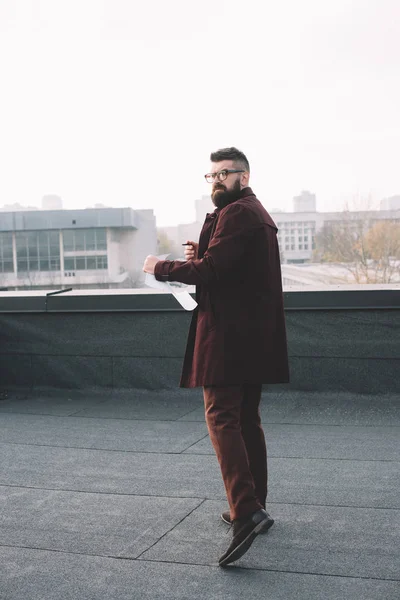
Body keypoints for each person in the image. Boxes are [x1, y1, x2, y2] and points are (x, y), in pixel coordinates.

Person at [143, 147, 289, 567]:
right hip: (250, 336)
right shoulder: (251, 212)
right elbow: (224, 267)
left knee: (221, 416)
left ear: (243, 176)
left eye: (224, 174)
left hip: (228, 337)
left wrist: (160, 267)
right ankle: (254, 505)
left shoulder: (239, 213)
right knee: (245, 419)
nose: (216, 181)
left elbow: (209, 273)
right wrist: (202, 254)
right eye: (210, 176)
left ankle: (245, 510)